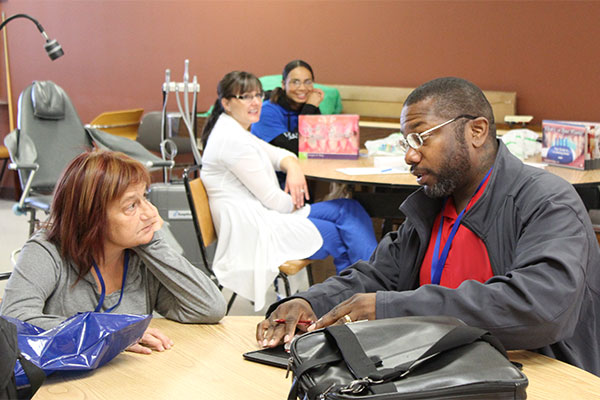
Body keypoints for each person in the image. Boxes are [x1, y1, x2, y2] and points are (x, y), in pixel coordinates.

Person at [257, 77, 600, 376]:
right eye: (407, 142)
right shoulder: (435, 202)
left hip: (536, 378)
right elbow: (377, 276)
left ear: (476, 131)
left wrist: (390, 308)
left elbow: (541, 308)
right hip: (444, 372)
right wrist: (309, 302)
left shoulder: (547, 201)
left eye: (421, 138)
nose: (410, 155)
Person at [1, 150, 226, 354]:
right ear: (92, 216)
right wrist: (110, 333)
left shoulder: (141, 254)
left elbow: (209, 307)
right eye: (131, 206)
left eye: (145, 197)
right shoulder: (47, 250)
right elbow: (13, 320)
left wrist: (153, 244)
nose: (150, 212)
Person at [200, 71, 377, 311]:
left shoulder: (236, 130)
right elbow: (274, 201)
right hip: (254, 229)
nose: (254, 103)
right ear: (226, 103)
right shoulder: (233, 141)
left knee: (350, 208)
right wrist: (296, 201)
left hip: (265, 215)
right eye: (245, 97)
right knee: (341, 233)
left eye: (258, 96)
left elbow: (277, 154)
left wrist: (293, 166)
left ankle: (363, 296)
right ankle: (365, 300)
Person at [251, 59, 324, 154]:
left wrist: (313, 108)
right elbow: (293, 148)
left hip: (304, 167)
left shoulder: (309, 106)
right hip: (272, 168)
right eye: (295, 82)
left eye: (307, 82)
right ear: (283, 84)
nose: (302, 88)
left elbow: (319, 146)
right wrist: (310, 107)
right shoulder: (266, 111)